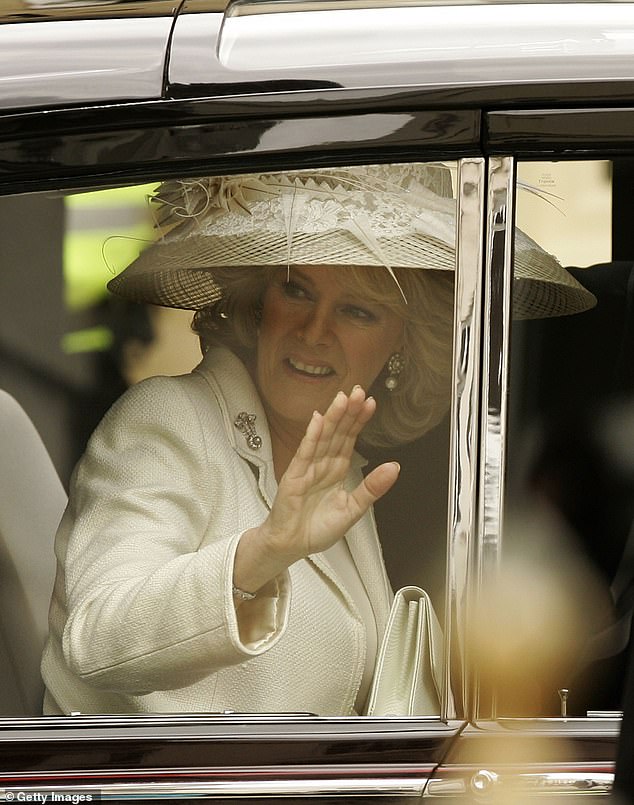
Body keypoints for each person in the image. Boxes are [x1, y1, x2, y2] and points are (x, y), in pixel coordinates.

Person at [40, 163, 596, 715]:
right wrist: (260, 555)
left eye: (357, 310)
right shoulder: (169, 418)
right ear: (258, 306)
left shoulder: (338, 469)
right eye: (296, 290)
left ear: (402, 343)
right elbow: (95, 635)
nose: (313, 331)